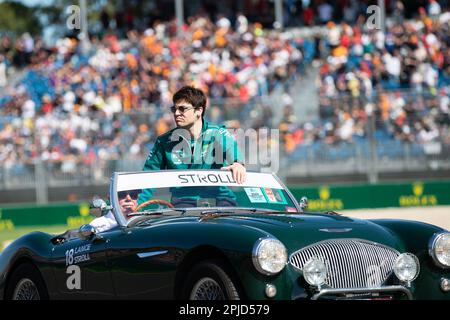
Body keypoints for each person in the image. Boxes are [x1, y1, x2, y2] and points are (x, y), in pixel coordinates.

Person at [137, 85, 246, 206]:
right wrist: (135, 206)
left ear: (199, 111)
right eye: (174, 109)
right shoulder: (164, 142)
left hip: (220, 200)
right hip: (184, 203)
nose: (177, 113)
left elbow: (232, 149)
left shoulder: (218, 133)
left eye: (182, 109)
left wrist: (237, 163)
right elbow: (147, 180)